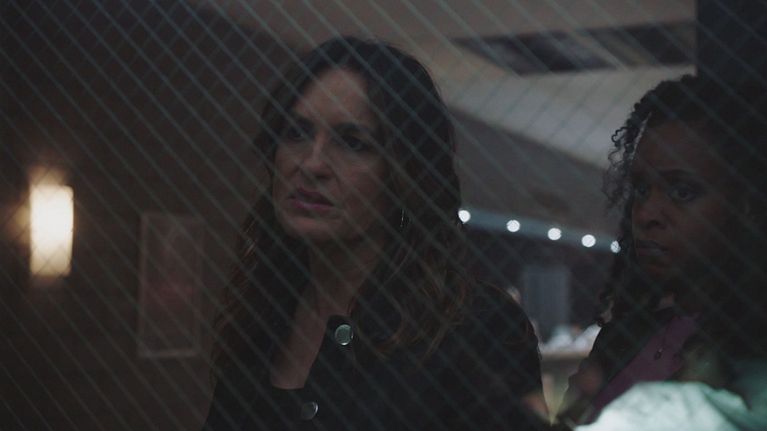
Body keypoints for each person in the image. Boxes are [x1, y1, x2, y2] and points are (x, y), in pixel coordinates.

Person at [203, 37, 546, 430]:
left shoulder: (475, 329)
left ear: (404, 173)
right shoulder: (263, 314)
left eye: (352, 143)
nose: (312, 164)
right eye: (296, 133)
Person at [557, 76, 767, 428]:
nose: (646, 214)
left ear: (747, 204)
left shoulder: (753, 347)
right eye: (641, 190)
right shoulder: (625, 334)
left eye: (682, 192)